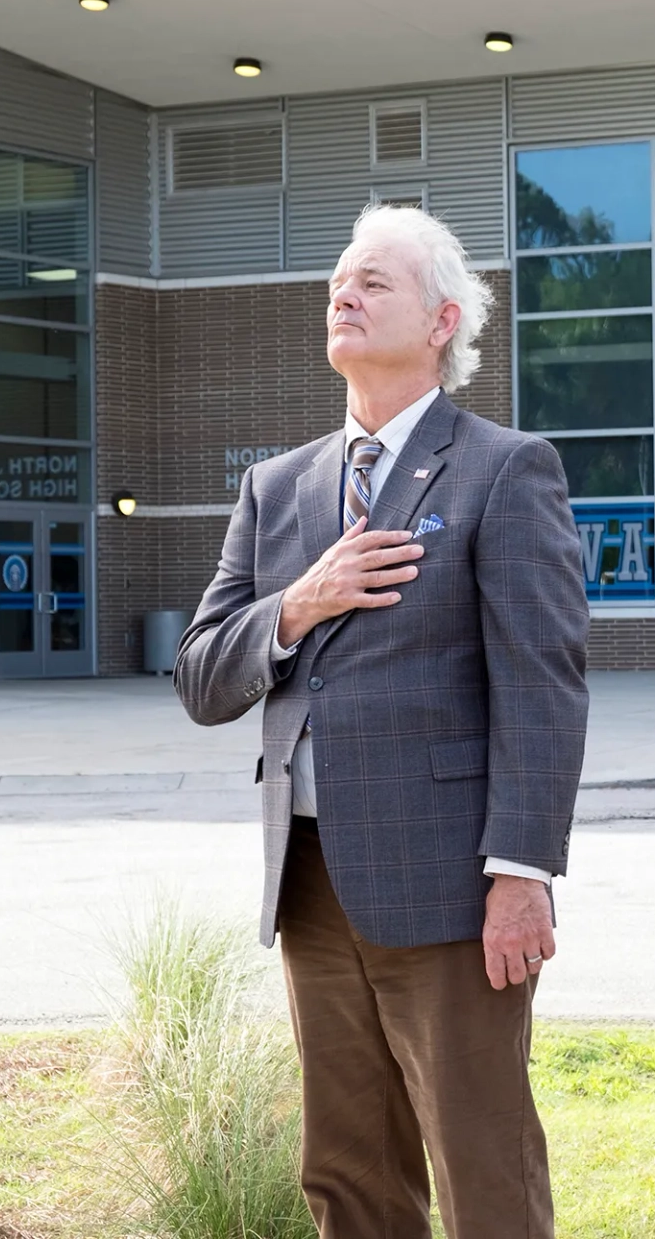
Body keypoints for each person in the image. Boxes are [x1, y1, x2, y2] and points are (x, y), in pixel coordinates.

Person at [174, 204, 588, 1239]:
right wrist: (298, 602)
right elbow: (202, 676)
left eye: (373, 282)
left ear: (443, 319)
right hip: (309, 879)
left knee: (481, 1160)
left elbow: (543, 686)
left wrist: (522, 870)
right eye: (336, 282)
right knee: (348, 1169)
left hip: (451, 882)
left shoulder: (505, 467)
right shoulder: (277, 488)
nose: (343, 295)